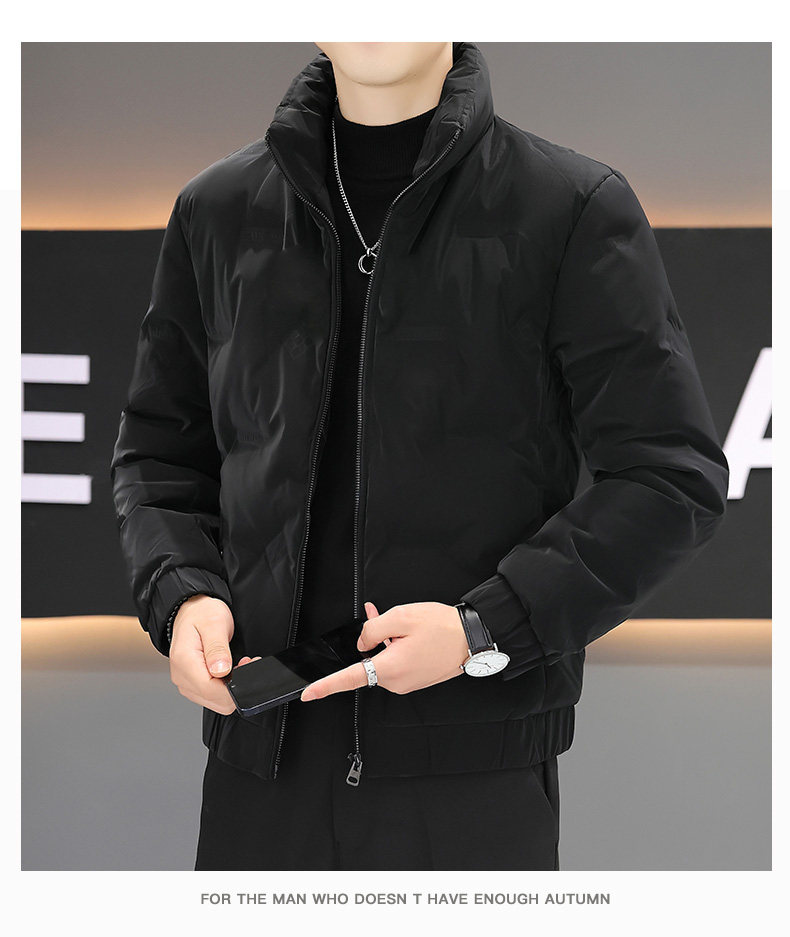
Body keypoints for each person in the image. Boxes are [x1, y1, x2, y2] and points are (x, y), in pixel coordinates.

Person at [110, 41, 729, 871]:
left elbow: (671, 476)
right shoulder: (216, 210)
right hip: (259, 766)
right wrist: (183, 594)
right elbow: (158, 458)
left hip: (472, 774)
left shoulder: (570, 207)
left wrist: (483, 627)